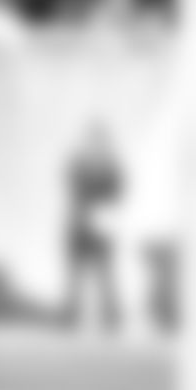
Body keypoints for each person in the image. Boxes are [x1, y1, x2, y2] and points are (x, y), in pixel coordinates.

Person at [63, 123, 125, 333]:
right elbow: (72, 188)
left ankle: (111, 321)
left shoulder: (111, 166)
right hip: (79, 226)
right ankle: (70, 321)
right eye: (93, 139)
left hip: (101, 227)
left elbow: (117, 193)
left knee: (106, 276)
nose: (96, 143)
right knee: (75, 276)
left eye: (100, 139)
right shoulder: (78, 163)